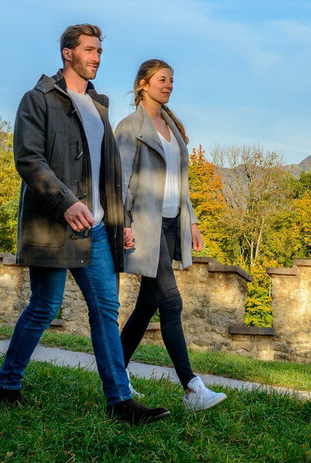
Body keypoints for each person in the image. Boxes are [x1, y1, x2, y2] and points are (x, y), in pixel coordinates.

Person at [0, 24, 170, 425]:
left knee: (106, 307)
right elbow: (28, 159)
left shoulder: (98, 104)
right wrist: (66, 203)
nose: (96, 57)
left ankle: (119, 401)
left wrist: (118, 220)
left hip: (98, 229)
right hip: (54, 224)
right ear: (67, 53)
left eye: (100, 51)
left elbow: (109, 171)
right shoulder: (38, 99)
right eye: (89, 50)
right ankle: (6, 385)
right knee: (44, 306)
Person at [116, 59, 226, 412]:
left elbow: (182, 183)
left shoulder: (172, 128)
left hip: (170, 225)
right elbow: (119, 182)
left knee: (147, 305)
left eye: (172, 80)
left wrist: (191, 220)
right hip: (145, 228)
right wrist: (122, 224)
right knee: (171, 302)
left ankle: (116, 374)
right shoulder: (130, 127)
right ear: (143, 84)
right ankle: (192, 388)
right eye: (162, 80)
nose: (169, 85)